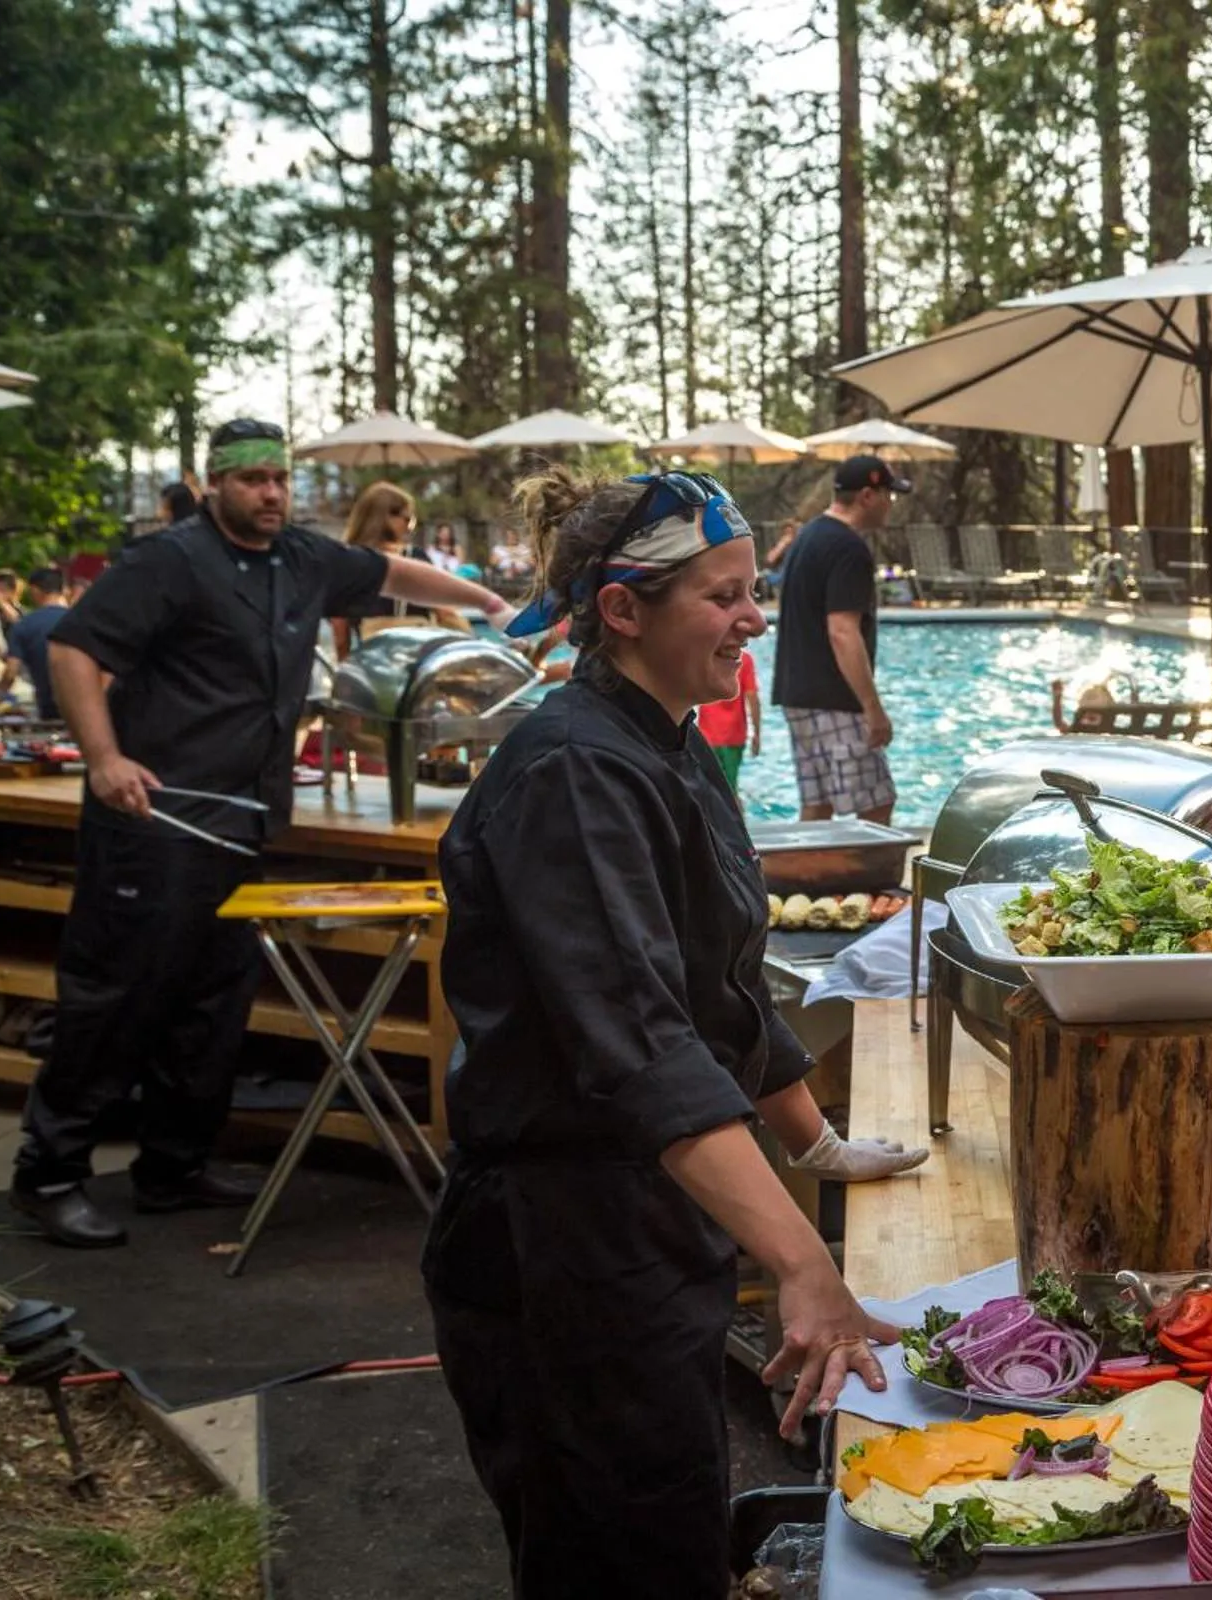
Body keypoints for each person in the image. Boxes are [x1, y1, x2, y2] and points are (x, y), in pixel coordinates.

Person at [431, 466, 896, 1598]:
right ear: (622, 610)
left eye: (752, 591)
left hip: (652, 1211)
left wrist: (817, 1142)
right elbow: (638, 1043)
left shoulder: (676, 741)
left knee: (676, 1516)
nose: (751, 619)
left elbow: (719, 991)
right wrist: (803, 1257)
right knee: (619, 1549)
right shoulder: (575, 770)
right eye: (722, 596)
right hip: (564, 1239)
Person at [9, 419, 516, 1249]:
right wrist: (103, 759)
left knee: (213, 1004)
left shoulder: (306, 559)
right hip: (154, 819)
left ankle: (172, 1167)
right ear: (215, 484)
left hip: (245, 822)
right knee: (117, 999)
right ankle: (49, 1172)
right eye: (251, 481)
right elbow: (72, 650)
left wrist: (494, 603)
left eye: (278, 478)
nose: (271, 494)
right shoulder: (166, 561)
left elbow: (393, 570)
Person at [772, 455, 903, 822]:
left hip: (797, 693)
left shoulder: (808, 536)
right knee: (877, 803)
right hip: (835, 698)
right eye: (888, 494)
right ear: (867, 496)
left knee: (818, 803)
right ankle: (867, 882)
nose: (891, 502)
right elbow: (843, 632)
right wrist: (872, 708)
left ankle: (808, 879)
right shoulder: (849, 548)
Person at [332, 481, 421, 656]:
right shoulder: (414, 558)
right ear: (388, 518)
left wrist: (344, 666)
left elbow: (340, 635)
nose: (409, 528)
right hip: (415, 660)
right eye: (408, 520)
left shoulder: (345, 562)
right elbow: (446, 613)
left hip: (373, 661)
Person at [1, 566, 68, 717]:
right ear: (63, 589)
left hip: (49, 710)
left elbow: (11, 672)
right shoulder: (83, 620)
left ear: (35, 591)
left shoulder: (24, 625)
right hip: (87, 709)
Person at [696, 640, 762, 789]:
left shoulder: (704, 657)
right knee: (729, 792)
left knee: (708, 790)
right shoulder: (744, 660)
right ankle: (736, 812)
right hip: (733, 736)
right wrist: (757, 734)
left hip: (706, 737)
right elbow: (752, 697)